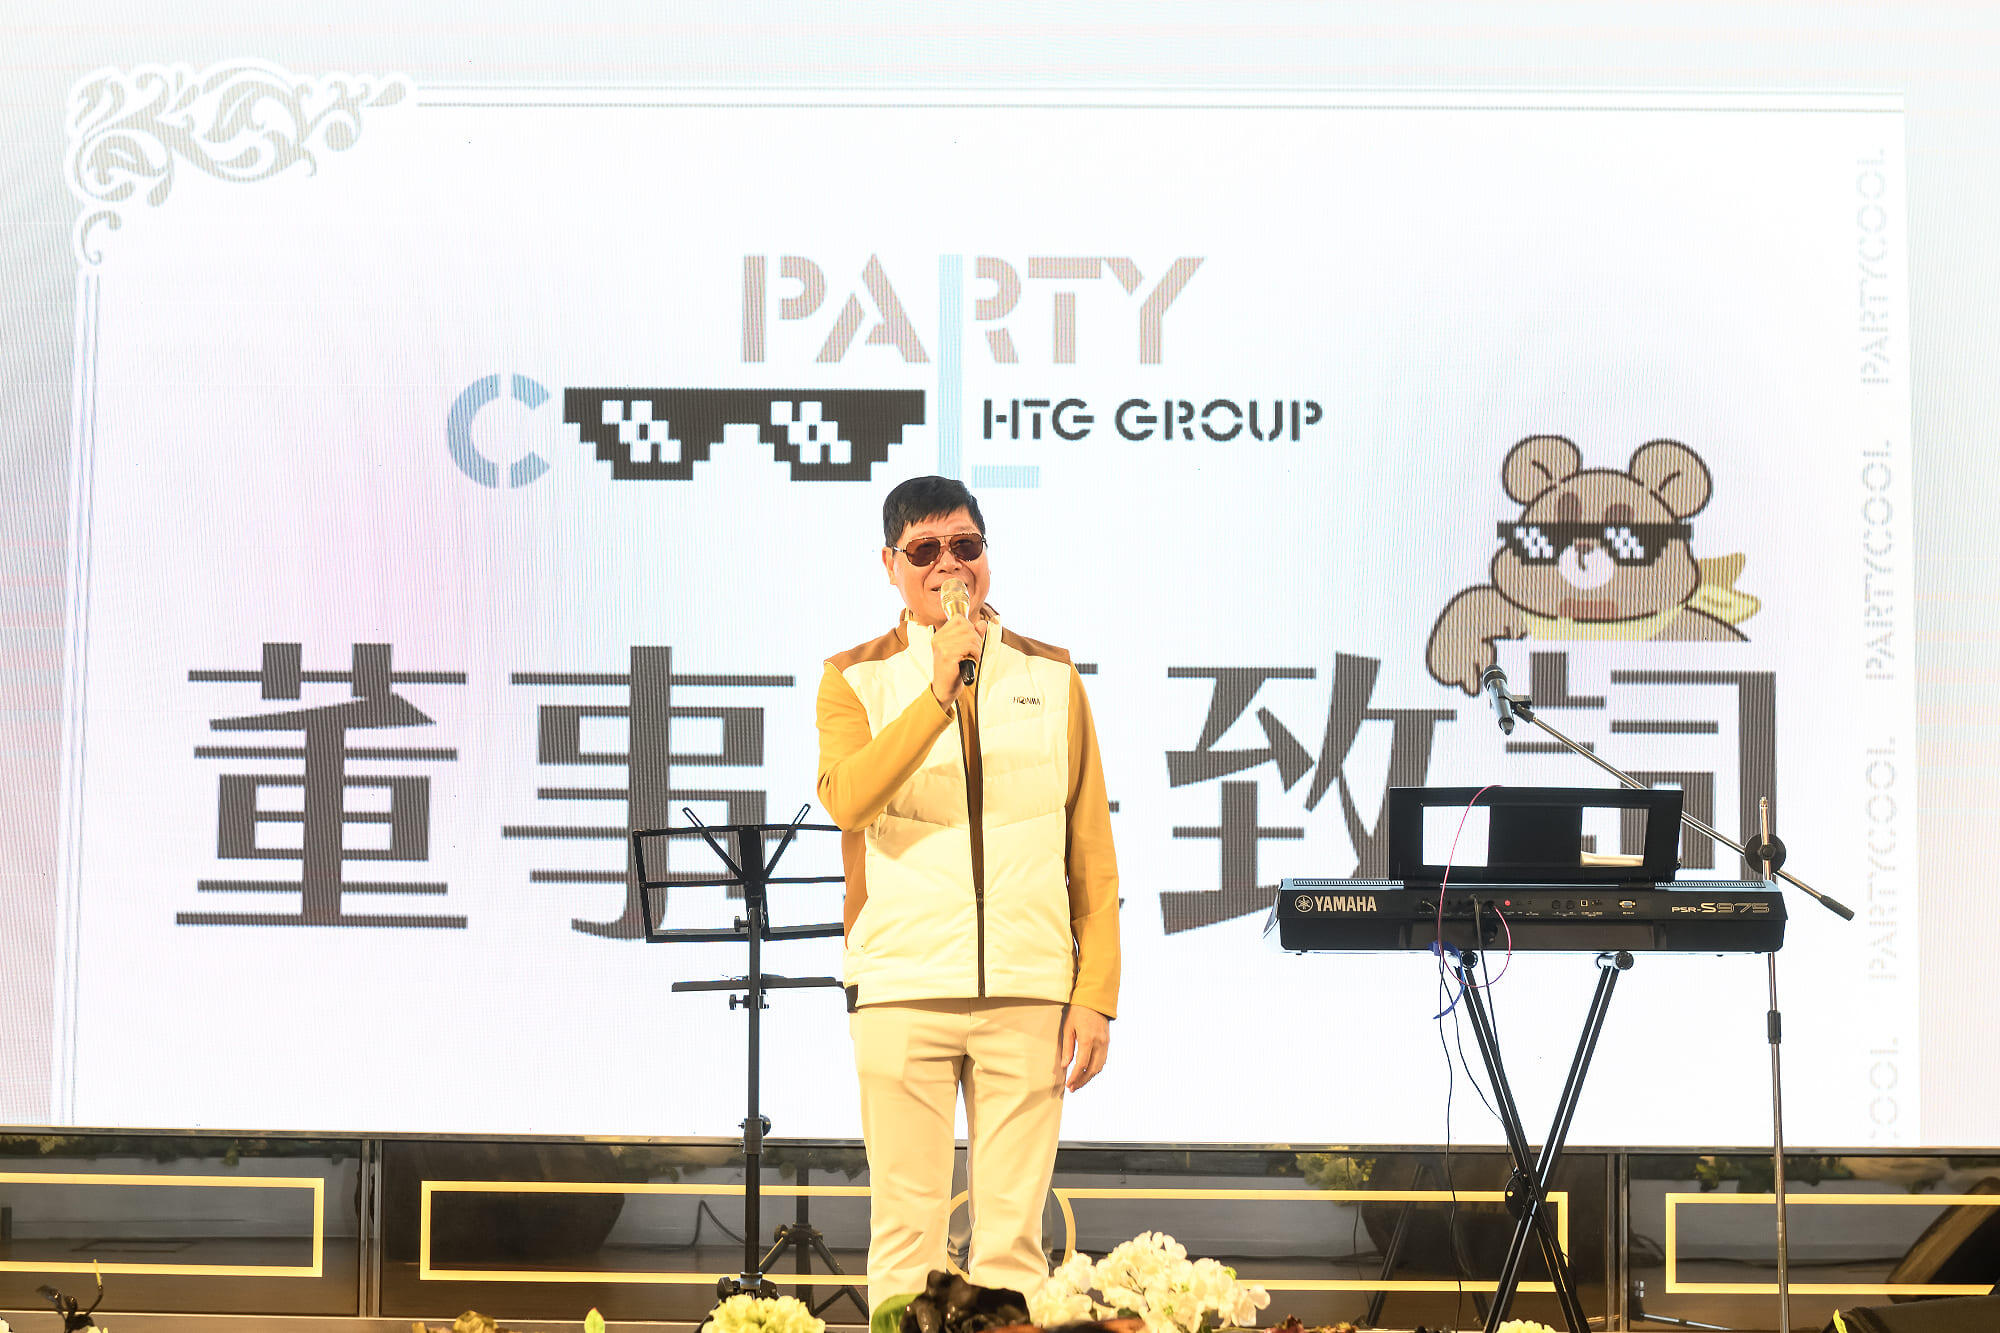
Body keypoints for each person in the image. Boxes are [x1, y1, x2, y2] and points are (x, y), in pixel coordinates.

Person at [815, 475, 1120, 1311]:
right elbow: (847, 799)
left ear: (987, 554)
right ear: (890, 564)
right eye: (924, 550)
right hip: (902, 985)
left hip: (1028, 987)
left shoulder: (1052, 675)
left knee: (1013, 1247)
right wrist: (936, 694)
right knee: (905, 1241)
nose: (949, 564)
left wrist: (1095, 991)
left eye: (966, 545)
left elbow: (1091, 849)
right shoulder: (854, 678)